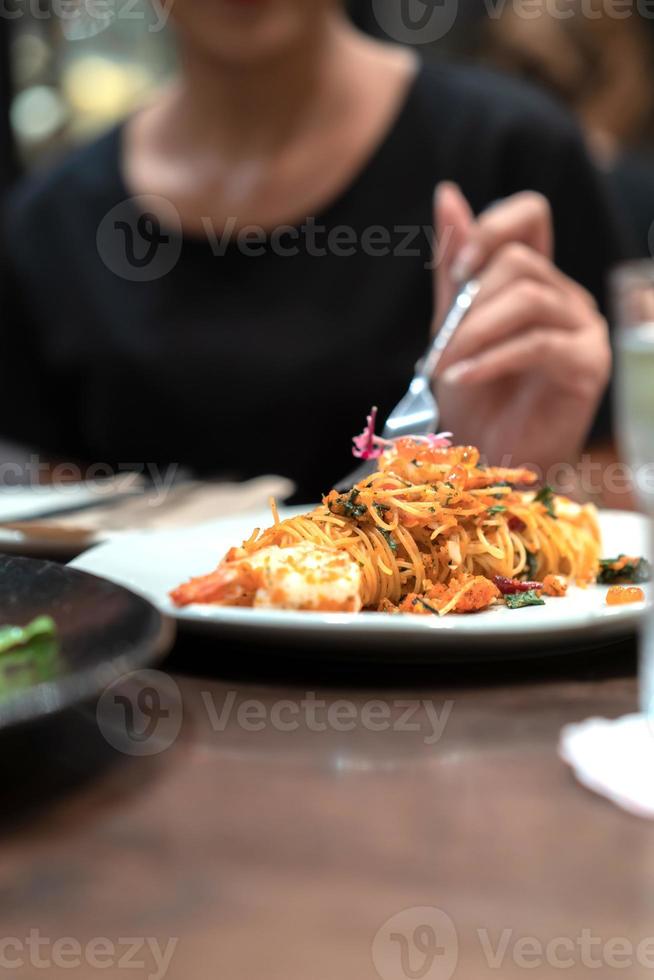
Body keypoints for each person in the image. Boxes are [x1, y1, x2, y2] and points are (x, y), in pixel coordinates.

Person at [1, 0, 617, 501]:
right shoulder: (50, 220)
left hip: (455, 644)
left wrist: (522, 481)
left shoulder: (511, 155)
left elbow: (617, 502)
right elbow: (59, 554)